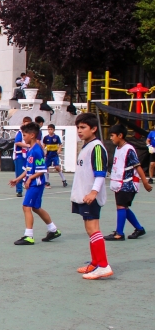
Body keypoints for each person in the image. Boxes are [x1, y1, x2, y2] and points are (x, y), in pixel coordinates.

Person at [70, 113, 112, 279]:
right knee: (89, 229)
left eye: (83, 127)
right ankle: (95, 263)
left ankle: (103, 265)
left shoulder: (97, 147)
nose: (79, 131)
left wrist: (94, 192)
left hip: (90, 195)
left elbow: (100, 173)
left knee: (94, 228)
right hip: (83, 194)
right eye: (78, 128)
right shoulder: (87, 146)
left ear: (94, 129)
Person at [8, 121, 61, 245]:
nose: (23, 137)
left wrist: (30, 179)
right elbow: (28, 169)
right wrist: (18, 179)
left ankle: (29, 236)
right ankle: (53, 229)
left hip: (36, 184)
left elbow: (42, 170)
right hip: (34, 183)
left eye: (25, 135)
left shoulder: (37, 150)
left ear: (32, 135)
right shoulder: (31, 150)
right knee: (36, 208)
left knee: (26, 206)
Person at [104, 124, 152, 241]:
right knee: (123, 207)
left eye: (112, 136)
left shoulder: (128, 149)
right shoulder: (118, 148)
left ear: (120, 135)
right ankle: (139, 228)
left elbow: (138, 166)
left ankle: (119, 234)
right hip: (119, 183)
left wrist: (145, 182)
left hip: (128, 183)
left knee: (121, 207)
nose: (111, 138)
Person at [13, 116, 34, 197]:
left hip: (27, 155)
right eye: (25, 123)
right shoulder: (20, 132)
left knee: (28, 171)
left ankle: (27, 187)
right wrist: (27, 145)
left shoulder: (30, 133)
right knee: (19, 173)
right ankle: (19, 190)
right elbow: (17, 142)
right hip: (19, 155)